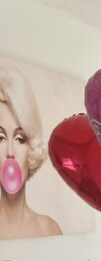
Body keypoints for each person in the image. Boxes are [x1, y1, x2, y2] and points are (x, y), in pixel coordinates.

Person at [0, 65, 61, 239]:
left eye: (19, 139)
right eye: (1, 138)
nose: (10, 152)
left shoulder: (49, 230)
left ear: (31, 147)